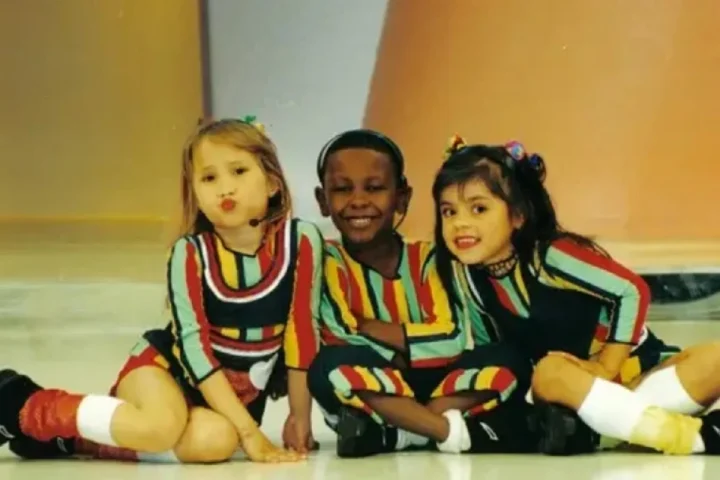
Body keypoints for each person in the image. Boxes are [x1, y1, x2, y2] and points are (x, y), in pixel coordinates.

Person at [0, 117, 323, 463]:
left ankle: (70, 440)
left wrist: (299, 417)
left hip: (231, 399)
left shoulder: (301, 241)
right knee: (161, 428)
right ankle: (23, 403)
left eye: (239, 171)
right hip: (164, 371)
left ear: (272, 182)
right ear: (194, 193)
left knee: (215, 442)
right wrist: (250, 432)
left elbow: (302, 333)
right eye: (209, 178)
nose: (225, 188)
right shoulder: (190, 253)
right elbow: (194, 348)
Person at [431, 134, 720, 456]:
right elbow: (497, 351)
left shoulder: (550, 256)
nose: (460, 224)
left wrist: (606, 367)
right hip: (569, 390)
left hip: (640, 377)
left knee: (715, 358)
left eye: (478, 209)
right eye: (448, 212)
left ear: (518, 215)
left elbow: (631, 290)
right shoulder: (468, 278)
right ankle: (694, 438)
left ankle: (604, 429)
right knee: (550, 371)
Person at [307, 129, 536, 458]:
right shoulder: (324, 259)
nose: (358, 201)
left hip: (438, 385)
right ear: (322, 200)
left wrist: (375, 328)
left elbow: (453, 337)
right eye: (342, 189)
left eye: (375, 188)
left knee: (508, 357)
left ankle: (401, 430)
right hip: (374, 385)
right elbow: (340, 335)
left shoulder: (430, 258)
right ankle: (443, 430)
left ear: (402, 197)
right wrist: (405, 352)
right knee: (329, 365)